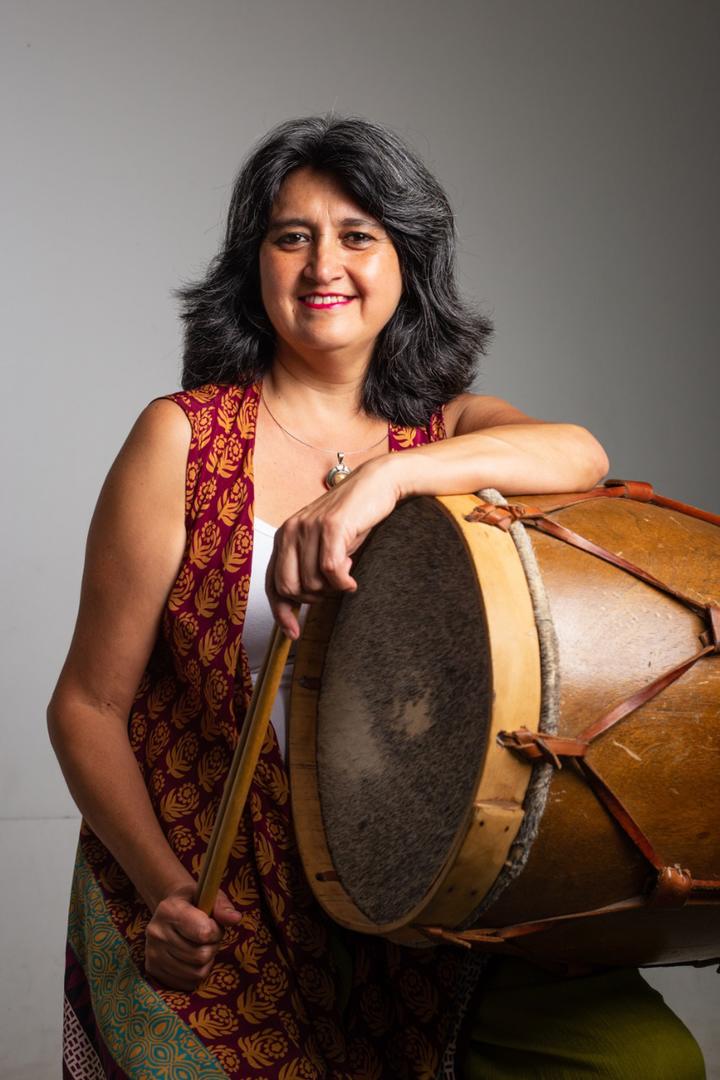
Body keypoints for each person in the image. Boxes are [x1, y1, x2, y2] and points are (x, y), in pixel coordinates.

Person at [47, 114, 704, 1080]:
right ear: (255, 264)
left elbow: (581, 454)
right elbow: (88, 706)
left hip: (415, 880)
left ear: (406, 263)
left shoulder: (449, 432)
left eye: (358, 235)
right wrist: (166, 892)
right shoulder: (180, 439)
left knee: (647, 1064)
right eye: (292, 236)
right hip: (213, 886)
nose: (325, 265)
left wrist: (381, 480)